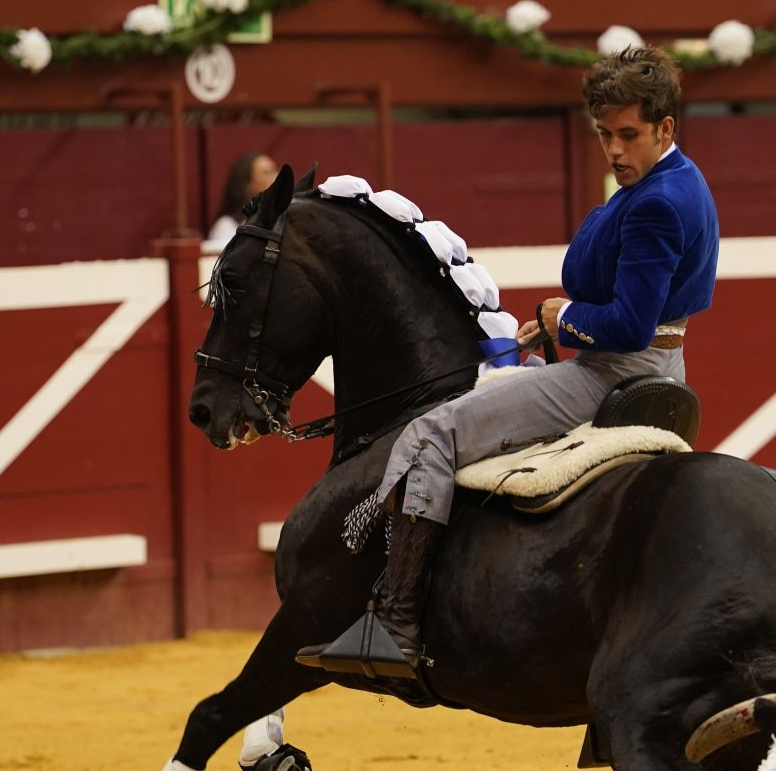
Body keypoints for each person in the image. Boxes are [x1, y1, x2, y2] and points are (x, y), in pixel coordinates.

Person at [300, 46, 721, 676]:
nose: (614, 151)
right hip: (656, 366)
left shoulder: (657, 202)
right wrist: (561, 321)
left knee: (433, 431)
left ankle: (398, 622)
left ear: (666, 127)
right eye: (604, 134)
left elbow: (631, 325)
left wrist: (564, 319)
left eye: (629, 135)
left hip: (614, 371)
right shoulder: (680, 180)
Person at [205, 151, 279, 252]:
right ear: (247, 185)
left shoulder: (281, 221)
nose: (276, 177)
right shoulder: (227, 226)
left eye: (275, 171)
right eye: (266, 173)